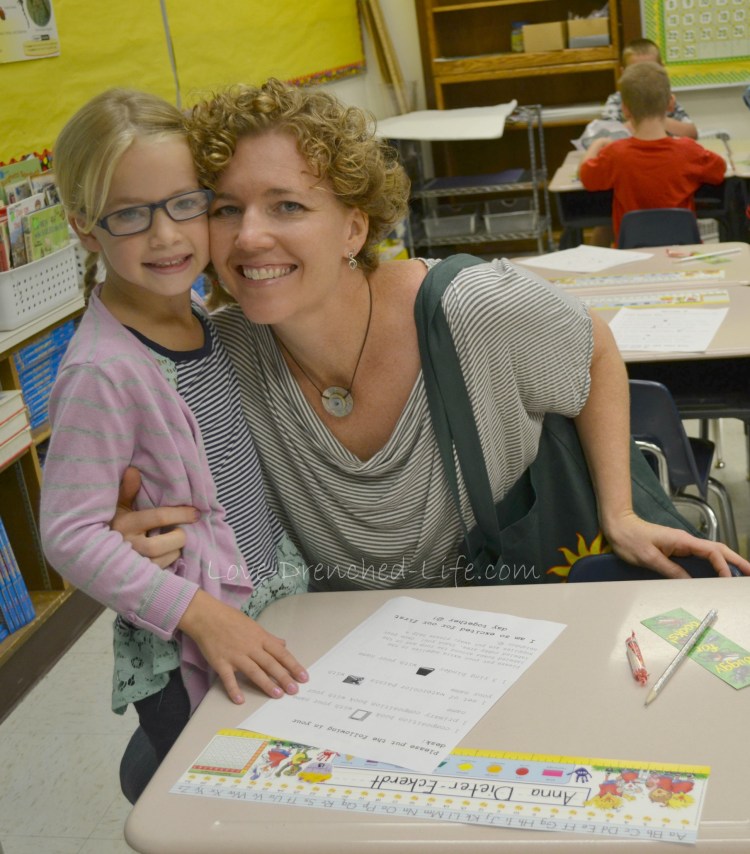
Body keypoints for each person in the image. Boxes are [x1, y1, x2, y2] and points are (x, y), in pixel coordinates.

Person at [113, 78, 749, 591]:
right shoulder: (217, 355)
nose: (249, 236)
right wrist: (137, 535)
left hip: (524, 619)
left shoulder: (473, 310)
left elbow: (594, 350)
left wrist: (621, 512)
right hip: (362, 660)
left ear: (354, 230)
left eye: (288, 205)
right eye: (227, 209)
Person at [39, 89, 309, 802]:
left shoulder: (205, 321)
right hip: (188, 639)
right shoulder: (105, 370)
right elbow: (67, 534)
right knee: (226, 803)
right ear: (85, 228)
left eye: (184, 203)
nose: (166, 236)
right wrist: (200, 614)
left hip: (264, 602)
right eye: (130, 214)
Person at [579, 62, 725, 244]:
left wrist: (597, 144)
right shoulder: (689, 151)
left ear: (625, 109)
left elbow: (586, 176)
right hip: (683, 254)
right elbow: (719, 170)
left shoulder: (615, 153)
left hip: (633, 254)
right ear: (671, 104)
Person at [601, 38, 697, 140]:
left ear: (662, 70)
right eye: (637, 72)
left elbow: (692, 133)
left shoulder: (664, 98)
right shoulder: (617, 100)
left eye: (651, 70)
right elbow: (607, 136)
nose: (644, 77)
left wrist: (658, 120)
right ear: (623, 73)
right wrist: (642, 122)